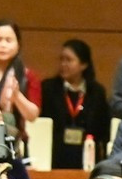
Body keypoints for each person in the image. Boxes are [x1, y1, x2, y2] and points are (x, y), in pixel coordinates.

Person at [42, 38, 113, 171]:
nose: (63, 64)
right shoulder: (49, 88)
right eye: (61, 59)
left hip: (87, 155)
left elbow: (103, 128)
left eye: (69, 60)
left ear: (84, 64)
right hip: (55, 156)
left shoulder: (97, 92)